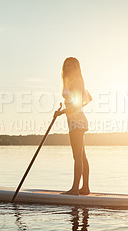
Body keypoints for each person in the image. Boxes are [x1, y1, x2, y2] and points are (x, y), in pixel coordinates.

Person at [55, 57, 92, 195]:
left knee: (77, 156)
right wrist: (68, 109)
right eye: (66, 66)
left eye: (71, 66)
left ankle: (75, 189)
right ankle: (85, 188)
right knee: (81, 156)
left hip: (76, 121)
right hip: (75, 120)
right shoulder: (75, 82)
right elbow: (88, 99)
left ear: (76, 68)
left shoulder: (76, 82)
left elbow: (76, 104)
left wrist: (62, 111)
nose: (67, 68)